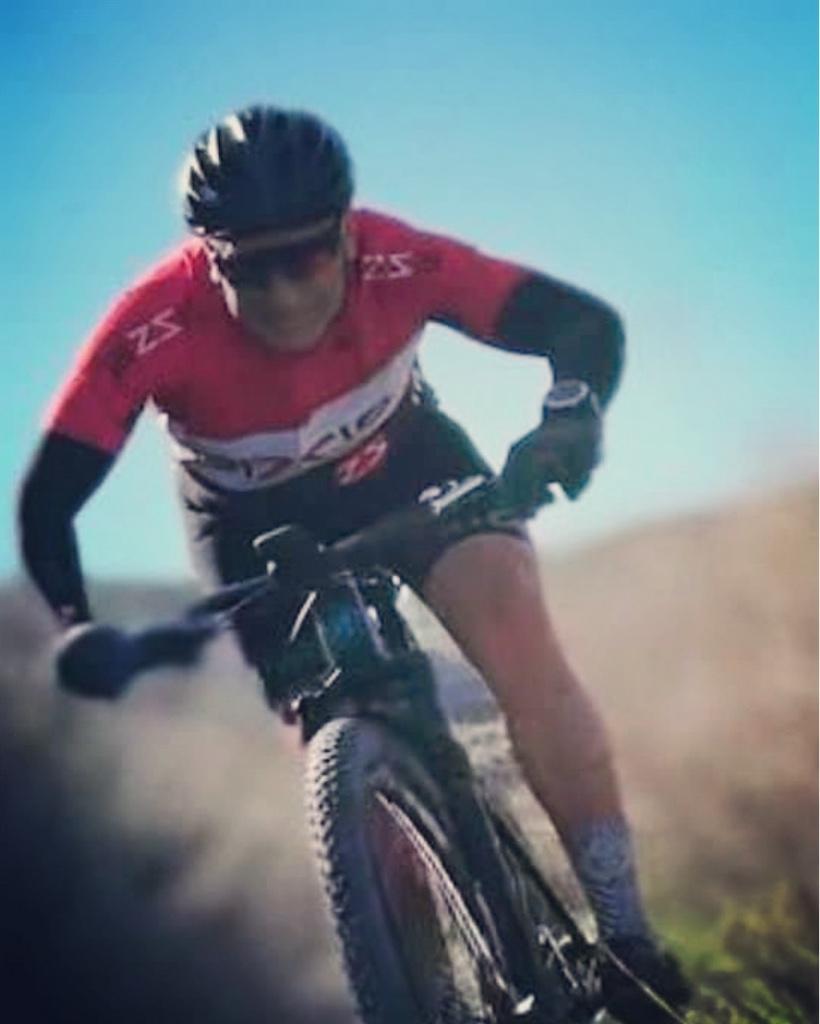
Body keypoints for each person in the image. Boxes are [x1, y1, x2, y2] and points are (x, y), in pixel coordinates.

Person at [18, 104, 689, 1019]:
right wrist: (75, 624)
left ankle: (628, 939)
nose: (285, 292)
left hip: (405, 467)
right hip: (248, 524)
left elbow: (579, 325)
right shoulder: (153, 324)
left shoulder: (398, 257)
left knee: (517, 636)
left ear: (346, 232)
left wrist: (568, 416)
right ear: (209, 257)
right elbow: (49, 501)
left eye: (306, 257)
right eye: (252, 267)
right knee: (324, 746)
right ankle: (422, 976)